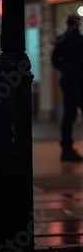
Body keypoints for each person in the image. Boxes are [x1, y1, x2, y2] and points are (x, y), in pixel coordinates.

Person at [52, 15, 83, 161]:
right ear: (77, 24)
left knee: (68, 116)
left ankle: (66, 148)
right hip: (80, 81)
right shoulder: (80, 40)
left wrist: (65, 68)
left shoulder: (61, 39)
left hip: (67, 81)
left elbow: (54, 61)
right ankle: (68, 149)